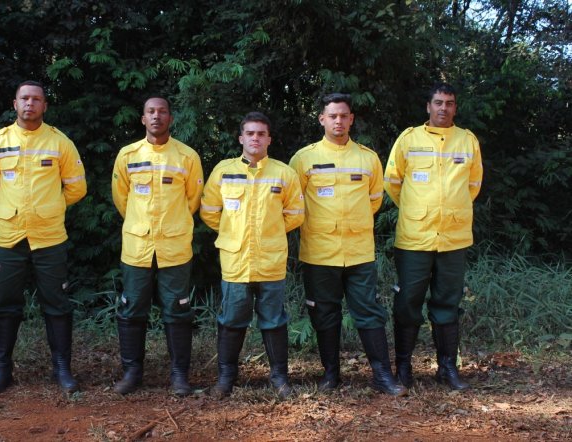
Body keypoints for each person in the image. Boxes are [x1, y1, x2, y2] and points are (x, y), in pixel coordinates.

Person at [289, 93, 405, 396]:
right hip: (319, 251)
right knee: (324, 314)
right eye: (333, 116)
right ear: (322, 119)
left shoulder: (367, 158)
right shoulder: (303, 159)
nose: (338, 121)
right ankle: (331, 374)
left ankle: (382, 375)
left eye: (344, 115)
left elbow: (374, 201)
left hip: (358, 252)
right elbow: (293, 203)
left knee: (368, 312)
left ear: (351, 119)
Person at [0, 81, 87, 394]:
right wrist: (12, 209)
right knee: (4, 304)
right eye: (25, 98)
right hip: (9, 236)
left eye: (36, 99)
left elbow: (77, 187)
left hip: (49, 236)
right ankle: (2, 372)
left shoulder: (58, 141)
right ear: (15, 103)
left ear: (45, 106)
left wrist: (50, 207)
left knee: (57, 304)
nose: (30, 104)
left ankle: (62, 369)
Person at [383, 82, 482, 391]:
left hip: (453, 238)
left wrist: (450, 210)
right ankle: (403, 367)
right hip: (415, 237)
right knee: (408, 301)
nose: (443, 108)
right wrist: (417, 209)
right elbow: (392, 182)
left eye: (449, 103)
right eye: (438, 102)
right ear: (428, 106)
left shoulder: (467, 141)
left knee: (447, 302)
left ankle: (447, 368)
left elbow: (473, 185)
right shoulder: (409, 138)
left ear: (455, 107)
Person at [200, 112, 304, 399]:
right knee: (231, 320)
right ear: (241, 138)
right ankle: (225, 379)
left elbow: (295, 214)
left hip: (271, 260)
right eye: (250, 133)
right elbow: (209, 211)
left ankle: (280, 378)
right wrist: (234, 233)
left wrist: (268, 233)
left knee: (274, 320)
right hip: (235, 261)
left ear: (269, 138)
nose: (255, 138)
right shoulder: (224, 171)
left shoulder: (284, 173)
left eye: (261, 133)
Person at [111, 97, 203, 396]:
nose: (156, 117)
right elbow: (122, 198)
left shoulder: (187, 156)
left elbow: (192, 200)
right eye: (151, 112)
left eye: (162, 112)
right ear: (142, 118)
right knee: (132, 308)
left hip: (174, 247)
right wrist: (141, 225)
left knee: (177, 311)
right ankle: (132, 373)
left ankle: (179, 376)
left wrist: (171, 225)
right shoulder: (128, 155)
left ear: (170, 119)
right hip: (137, 247)